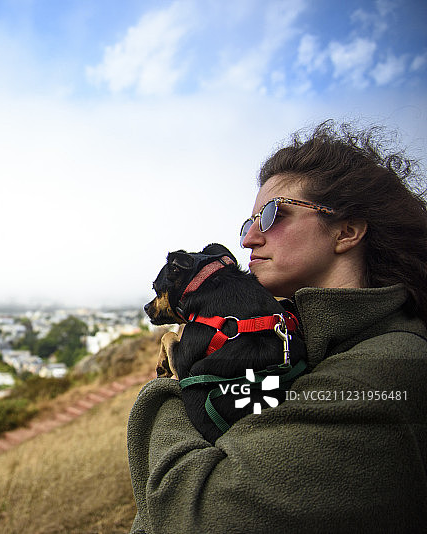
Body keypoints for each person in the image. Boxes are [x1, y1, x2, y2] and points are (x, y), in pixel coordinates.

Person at [127, 120, 427, 533]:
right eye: (247, 223)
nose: (249, 239)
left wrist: (173, 382)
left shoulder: (389, 366)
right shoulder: (311, 341)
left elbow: (193, 515)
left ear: (347, 231)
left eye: (272, 215)